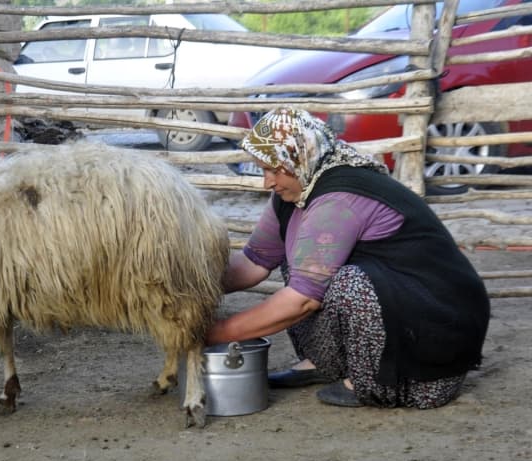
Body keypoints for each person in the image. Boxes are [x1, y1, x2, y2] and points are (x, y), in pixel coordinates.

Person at [205, 107, 490, 408]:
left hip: (436, 328)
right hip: (398, 306)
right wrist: (190, 288)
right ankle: (325, 363)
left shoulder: (338, 197)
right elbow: (254, 261)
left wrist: (215, 333)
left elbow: (302, 300)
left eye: (274, 170)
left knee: (347, 283)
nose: (267, 182)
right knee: (300, 258)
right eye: (264, 170)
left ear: (299, 157)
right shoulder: (298, 190)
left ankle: (375, 384)